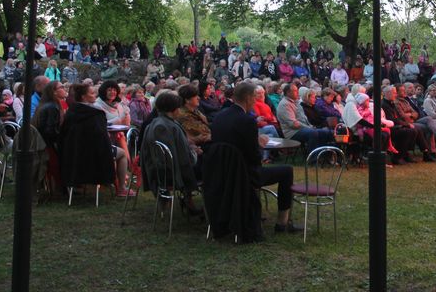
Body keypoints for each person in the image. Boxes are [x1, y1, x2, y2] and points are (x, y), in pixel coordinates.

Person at [211, 82, 301, 234]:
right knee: (287, 171)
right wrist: (259, 144)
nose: (256, 101)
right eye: (254, 97)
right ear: (247, 98)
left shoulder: (220, 117)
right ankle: (283, 222)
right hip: (244, 174)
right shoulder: (247, 121)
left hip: (222, 171)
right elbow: (254, 157)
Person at [61, 83, 133, 196]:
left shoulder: (71, 111)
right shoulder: (95, 114)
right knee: (122, 153)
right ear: (84, 97)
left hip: (75, 153)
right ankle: (121, 188)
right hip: (95, 154)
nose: (95, 95)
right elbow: (102, 137)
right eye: (92, 93)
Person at [141, 91, 201, 215]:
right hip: (171, 174)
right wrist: (194, 152)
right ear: (174, 110)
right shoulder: (168, 127)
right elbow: (184, 159)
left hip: (158, 171)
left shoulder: (154, 123)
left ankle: (188, 201)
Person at [276, 83, 333, 152]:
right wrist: (309, 127)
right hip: (293, 132)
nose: (297, 93)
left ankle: (325, 153)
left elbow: (303, 119)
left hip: (302, 128)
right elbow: (293, 124)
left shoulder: (295, 102)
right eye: (295, 91)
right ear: (288, 92)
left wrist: (311, 127)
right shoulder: (285, 104)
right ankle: (313, 156)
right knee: (313, 133)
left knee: (326, 132)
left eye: (297, 90)